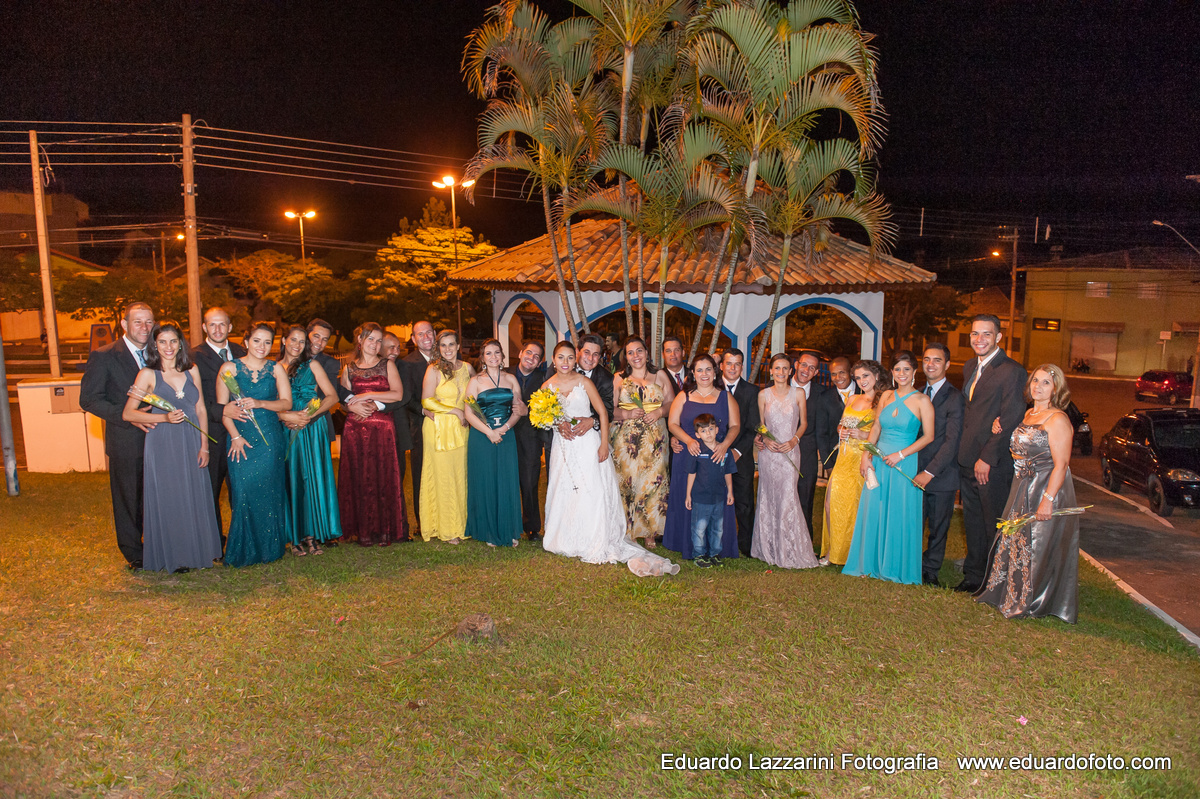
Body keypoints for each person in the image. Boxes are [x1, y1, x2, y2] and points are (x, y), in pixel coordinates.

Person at [541, 341, 679, 577]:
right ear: (553, 360)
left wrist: (603, 442)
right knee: (564, 488)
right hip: (563, 444)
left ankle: (599, 535)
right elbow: (542, 414)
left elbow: (603, 411)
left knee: (591, 490)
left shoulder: (590, 381)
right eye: (560, 358)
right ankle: (564, 536)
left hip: (589, 442)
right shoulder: (546, 384)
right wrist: (556, 423)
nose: (566, 362)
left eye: (569, 358)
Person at [975, 365, 1079, 623]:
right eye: (1035, 381)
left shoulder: (1058, 419)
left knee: (1037, 545)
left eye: (1045, 383)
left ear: (1056, 388)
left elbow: (1062, 464)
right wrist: (1000, 427)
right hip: (1022, 485)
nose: (1038, 387)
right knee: (1017, 540)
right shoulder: (1030, 413)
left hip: (1045, 486)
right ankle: (1009, 593)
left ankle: (1031, 602)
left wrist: (1048, 500)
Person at [121, 321, 221, 573]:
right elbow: (128, 414)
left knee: (192, 493)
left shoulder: (192, 370)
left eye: (173, 341)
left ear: (180, 343)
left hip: (191, 440)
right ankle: (174, 556)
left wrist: (204, 446)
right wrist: (163, 418)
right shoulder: (147, 374)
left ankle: (196, 551)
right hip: (163, 443)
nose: (168, 347)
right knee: (170, 497)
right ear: (155, 345)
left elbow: (199, 408)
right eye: (162, 342)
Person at [843, 351, 935, 585]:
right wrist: (866, 455)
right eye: (897, 369)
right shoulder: (886, 396)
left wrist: (901, 454)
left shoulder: (923, 400)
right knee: (874, 508)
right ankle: (869, 564)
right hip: (879, 461)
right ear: (891, 373)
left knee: (898, 512)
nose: (901, 374)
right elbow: (875, 428)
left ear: (914, 372)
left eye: (906, 369)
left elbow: (929, 437)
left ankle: (895, 567)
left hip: (903, 461)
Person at [80, 301, 156, 570]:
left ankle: (160, 545)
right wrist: (127, 416)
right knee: (129, 500)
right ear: (124, 324)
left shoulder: (161, 352)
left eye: (149, 322)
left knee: (157, 497)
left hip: (161, 441)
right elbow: (89, 400)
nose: (144, 327)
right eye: (138, 322)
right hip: (126, 441)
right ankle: (134, 552)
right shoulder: (104, 355)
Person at [956, 314, 1029, 593]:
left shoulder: (1012, 371)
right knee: (972, 522)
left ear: (999, 337)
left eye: (986, 334)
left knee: (993, 523)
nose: (979, 339)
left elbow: (1011, 417)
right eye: (975, 334)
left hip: (991, 463)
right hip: (967, 459)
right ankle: (973, 577)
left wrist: (987, 457)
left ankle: (995, 582)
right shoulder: (969, 367)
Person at [217, 322, 291, 568]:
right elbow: (223, 409)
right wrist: (235, 436)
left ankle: (269, 549)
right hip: (240, 438)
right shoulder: (229, 368)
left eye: (267, 342)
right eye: (257, 340)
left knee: (269, 494)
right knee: (243, 493)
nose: (262, 346)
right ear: (246, 342)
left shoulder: (276, 369)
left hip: (270, 439)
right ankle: (243, 550)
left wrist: (260, 403)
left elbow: (286, 403)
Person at [665, 353, 740, 560]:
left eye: (708, 369)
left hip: (716, 458)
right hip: (689, 456)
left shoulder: (726, 397)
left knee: (716, 501)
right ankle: (687, 544)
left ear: (715, 372)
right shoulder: (684, 396)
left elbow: (735, 426)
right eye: (699, 370)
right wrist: (688, 441)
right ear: (693, 373)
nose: (704, 374)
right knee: (687, 498)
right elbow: (672, 424)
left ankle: (716, 547)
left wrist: (725, 445)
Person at [338, 323, 408, 546]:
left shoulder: (387, 365)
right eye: (371, 339)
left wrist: (369, 395)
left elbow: (397, 394)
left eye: (379, 341)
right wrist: (351, 407)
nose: (375, 344)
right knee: (358, 477)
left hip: (382, 430)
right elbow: (342, 400)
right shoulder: (348, 368)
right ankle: (362, 530)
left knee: (383, 477)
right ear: (360, 340)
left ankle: (385, 529)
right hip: (354, 430)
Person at [278, 325, 344, 555]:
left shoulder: (312, 365)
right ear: (284, 341)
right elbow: (267, 401)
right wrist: (285, 416)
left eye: (301, 341)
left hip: (311, 429)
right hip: (286, 430)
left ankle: (312, 535)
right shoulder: (273, 368)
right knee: (292, 480)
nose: (297, 345)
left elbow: (332, 396)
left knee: (312, 480)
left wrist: (308, 416)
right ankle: (294, 538)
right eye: (293, 340)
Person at [752, 353, 819, 569]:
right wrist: (764, 439)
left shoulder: (798, 394)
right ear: (770, 371)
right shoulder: (763, 395)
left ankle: (790, 549)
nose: (781, 372)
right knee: (768, 496)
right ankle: (769, 548)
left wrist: (794, 440)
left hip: (791, 451)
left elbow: (804, 423)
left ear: (791, 371)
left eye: (785, 368)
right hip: (769, 455)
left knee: (789, 497)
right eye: (777, 368)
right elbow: (760, 425)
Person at [189, 307, 247, 543]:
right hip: (211, 435)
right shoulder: (193, 357)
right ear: (204, 327)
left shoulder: (242, 351)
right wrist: (222, 410)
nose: (217, 329)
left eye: (222, 324)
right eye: (212, 325)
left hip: (243, 431)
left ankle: (241, 538)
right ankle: (213, 542)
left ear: (230, 327)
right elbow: (192, 398)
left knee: (241, 490)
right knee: (210, 491)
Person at [610, 336, 675, 547]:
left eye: (639, 351)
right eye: (630, 353)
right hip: (626, 442)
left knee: (654, 483)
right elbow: (609, 410)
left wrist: (659, 412)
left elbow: (672, 404)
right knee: (628, 483)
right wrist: (627, 414)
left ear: (647, 353)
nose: (635, 356)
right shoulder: (619, 378)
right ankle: (627, 528)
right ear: (626, 357)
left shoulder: (660, 376)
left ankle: (650, 531)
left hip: (655, 440)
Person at [821, 360, 886, 566]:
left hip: (863, 457)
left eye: (865, 376)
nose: (861, 381)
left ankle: (852, 554)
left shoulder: (883, 399)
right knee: (831, 503)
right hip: (844, 456)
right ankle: (834, 551)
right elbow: (841, 422)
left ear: (876, 375)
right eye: (858, 377)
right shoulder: (852, 399)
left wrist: (863, 433)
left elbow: (885, 433)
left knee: (854, 507)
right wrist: (841, 430)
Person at [464, 339, 525, 547]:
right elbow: (469, 413)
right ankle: (489, 530)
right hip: (482, 437)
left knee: (506, 480)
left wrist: (505, 428)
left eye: (497, 353)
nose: (493, 357)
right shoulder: (475, 382)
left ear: (502, 356)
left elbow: (518, 410)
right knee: (486, 480)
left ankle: (509, 529)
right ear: (482, 357)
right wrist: (489, 432)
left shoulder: (511, 380)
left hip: (506, 435)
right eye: (488, 353)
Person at [915, 344, 965, 586]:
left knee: (938, 528)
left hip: (941, 475)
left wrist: (929, 472)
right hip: (912, 474)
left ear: (947, 365)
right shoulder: (915, 393)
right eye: (926, 359)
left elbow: (952, 441)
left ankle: (930, 571)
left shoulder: (955, 398)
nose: (931, 364)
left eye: (937, 360)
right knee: (913, 522)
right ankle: (911, 564)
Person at [420, 329, 475, 542]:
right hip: (439, 427)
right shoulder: (433, 370)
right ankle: (446, 529)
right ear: (438, 348)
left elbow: (472, 397)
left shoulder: (468, 368)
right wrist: (456, 411)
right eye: (443, 345)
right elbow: (427, 401)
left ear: (459, 346)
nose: (448, 349)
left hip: (461, 429)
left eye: (451, 344)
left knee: (460, 476)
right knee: (443, 477)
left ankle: (462, 525)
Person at [792, 351, 842, 542]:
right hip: (779, 454)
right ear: (796, 364)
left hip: (808, 454)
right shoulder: (778, 386)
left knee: (805, 499)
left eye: (812, 368)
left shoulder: (823, 393)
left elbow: (830, 426)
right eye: (804, 365)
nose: (806, 370)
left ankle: (803, 543)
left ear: (816, 373)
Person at [507, 340, 550, 540]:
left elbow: (549, 408)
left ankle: (532, 527)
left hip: (531, 438)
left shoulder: (544, 379)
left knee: (530, 483)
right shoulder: (504, 373)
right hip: (505, 435)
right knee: (507, 481)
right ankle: (509, 524)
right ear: (521, 352)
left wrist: (529, 411)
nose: (531, 358)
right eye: (529, 353)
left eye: (536, 356)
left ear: (540, 362)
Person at [717, 348, 758, 555]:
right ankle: (718, 542)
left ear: (742, 366)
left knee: (744, 502)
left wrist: (737, 451)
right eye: (729, 363)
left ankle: (745, 545)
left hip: (741, 457)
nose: (733, 368)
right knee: (715, 500)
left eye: (737, 364)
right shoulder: (712, 387)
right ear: (722, 365)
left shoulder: (752, 391)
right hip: (714, 454)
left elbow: (752, 427)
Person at [685, 413, 737, 568]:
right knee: (699, 529)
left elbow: (728, 472)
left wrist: (730, 491)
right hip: (701, 498)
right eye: (703, 431)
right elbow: (691, 473)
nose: (708, 433)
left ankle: (714, 553)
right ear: (697, 435)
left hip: (719, 497)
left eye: (710, 429)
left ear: (717, 430)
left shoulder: (724, 451)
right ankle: (699, 555)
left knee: (717, 529)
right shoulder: (697, 452)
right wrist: (688, 495)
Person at [399, 321, 436, 534]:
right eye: (420, 334)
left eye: (428, 332)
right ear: (414, 339)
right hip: (421, 425)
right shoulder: (407, 364)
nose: (425, 337)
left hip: (449, 426)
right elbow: (406, 397)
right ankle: (423, 523)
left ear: (435, 334)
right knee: (421, 474)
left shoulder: (445, 358)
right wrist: (423, 411)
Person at [382, 331, 416, 527]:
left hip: (397, 429)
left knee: (397, 478)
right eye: (391, 347)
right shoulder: (371, 367)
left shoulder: (403, 367)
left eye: (398, 347)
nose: (396, 351)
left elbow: (404, 396)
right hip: (373, 431)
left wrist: (376, 405)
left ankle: (398, 525)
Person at [306, 319, 350, 444]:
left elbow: (326, 395)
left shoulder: (329, 363)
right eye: (316, 336)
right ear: (307, 334)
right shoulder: (288, 359)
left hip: (316, 423)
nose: (319, 343)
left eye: (325, 339)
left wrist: (303, 418)